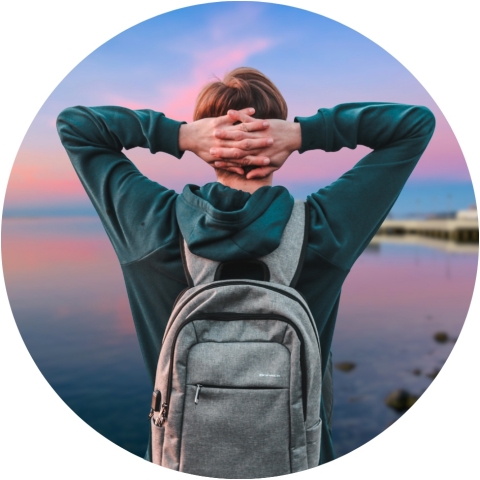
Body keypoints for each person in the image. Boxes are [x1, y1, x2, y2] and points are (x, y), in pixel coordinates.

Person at [56, 67, 435, 467]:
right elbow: (413, 125)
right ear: (275, 132)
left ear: (208, 137)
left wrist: (180, 135)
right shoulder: (323, 229)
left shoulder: (152, 225)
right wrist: (305, 134)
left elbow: (77, 126)